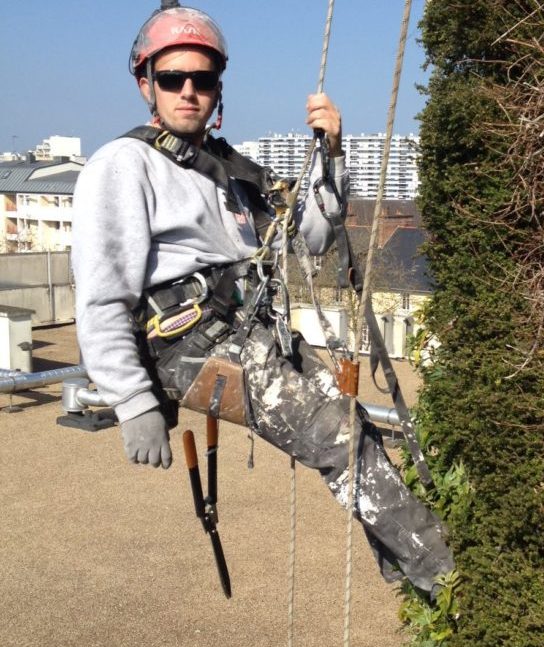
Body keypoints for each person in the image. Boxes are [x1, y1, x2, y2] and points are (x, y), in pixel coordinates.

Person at [72, 3, 454, 594]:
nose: (189, 91)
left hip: (251, 335)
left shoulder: (229, 170)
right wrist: (132, 401)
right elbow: (102, 295)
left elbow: (318, 235)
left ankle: (407, 569)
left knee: (356, 429)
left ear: (217, 86)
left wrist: (331, 155)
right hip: (189, 345)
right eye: (173, 79)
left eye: (202, 79)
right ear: (147, 84)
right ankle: (446, 579)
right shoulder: (126, 165)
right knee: (339, 437)